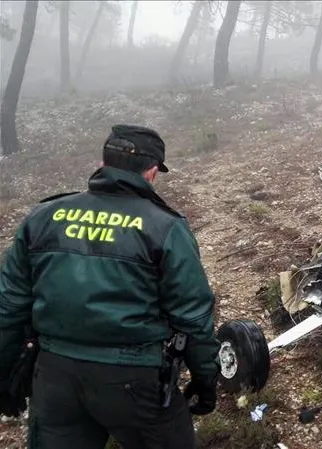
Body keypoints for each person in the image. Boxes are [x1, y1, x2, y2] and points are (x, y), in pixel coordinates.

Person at [0, 124, 221, 448]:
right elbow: (193, 315)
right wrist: (206, 381)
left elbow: (9, 306)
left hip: (54, 377)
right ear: (152, 172)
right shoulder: (165, 227)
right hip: (134, 380)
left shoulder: (43, 217)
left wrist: (4, 375)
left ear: (102, 164)